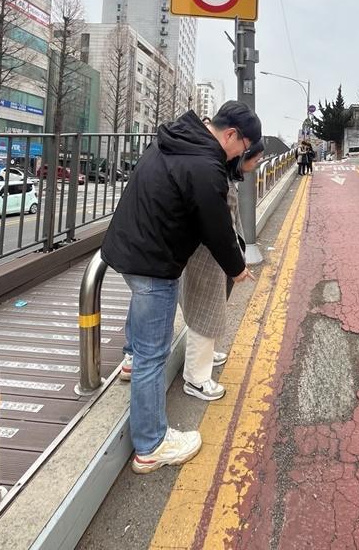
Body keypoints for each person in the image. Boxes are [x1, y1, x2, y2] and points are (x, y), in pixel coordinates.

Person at [102, 101, 261, 474]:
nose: (242, 154)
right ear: (231, 136)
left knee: (140, 337)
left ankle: (128, 359)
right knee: (153, 355)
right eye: (244, 145)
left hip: (127, 246)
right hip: (154, 260)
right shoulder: (206, 165)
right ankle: (151, 445)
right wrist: (237, 269)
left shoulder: (175, 137)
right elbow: (216, 226)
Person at [180, 140, 265, 402]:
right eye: (255, 157)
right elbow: (220, 228)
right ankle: (196, 379)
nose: (258, 162)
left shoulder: (224, 177)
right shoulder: (220, 182)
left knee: (210, 309)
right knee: (205, 311)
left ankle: (203, 359)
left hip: (213, 254)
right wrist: (236, 265)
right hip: (207, 255)